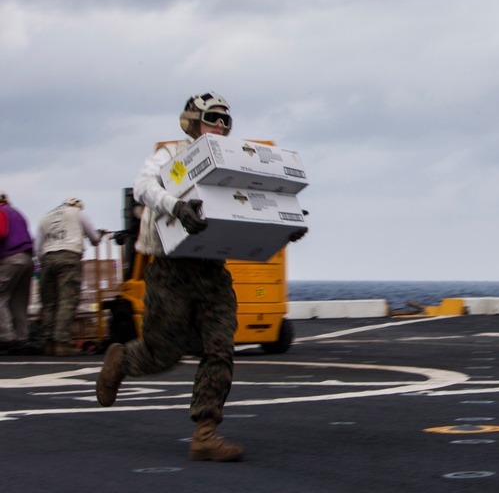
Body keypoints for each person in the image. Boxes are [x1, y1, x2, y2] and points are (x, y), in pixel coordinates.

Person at [95, 92, 306, 462]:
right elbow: (146, 187)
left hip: (212, 271)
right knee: (163, 354)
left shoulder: (233, 167)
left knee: (221, 348)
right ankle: (121, 362)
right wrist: (176, 205)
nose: (221, 127)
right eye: (213, 118)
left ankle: (205, 432)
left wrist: (283, 226)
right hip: (172, 270)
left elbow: (249, 207)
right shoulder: (173, 156)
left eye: (227, 121)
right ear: (193, 120)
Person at [36, 198, 105, 355]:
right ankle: (61, 342)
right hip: (69, 256)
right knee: (67, 301)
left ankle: (48, 343)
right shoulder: (77, 213)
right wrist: (98, 236)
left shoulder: (45, 217)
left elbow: (37, 247)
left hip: (47, 258)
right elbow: (94, 238)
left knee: (49, 303)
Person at [0, 191, 34, 354]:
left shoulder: (0, 212)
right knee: (18, 302)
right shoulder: (15, 212)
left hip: (11, 258)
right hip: (26, 259)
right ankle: (22, 338)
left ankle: (5, 338)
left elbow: (1, 232)